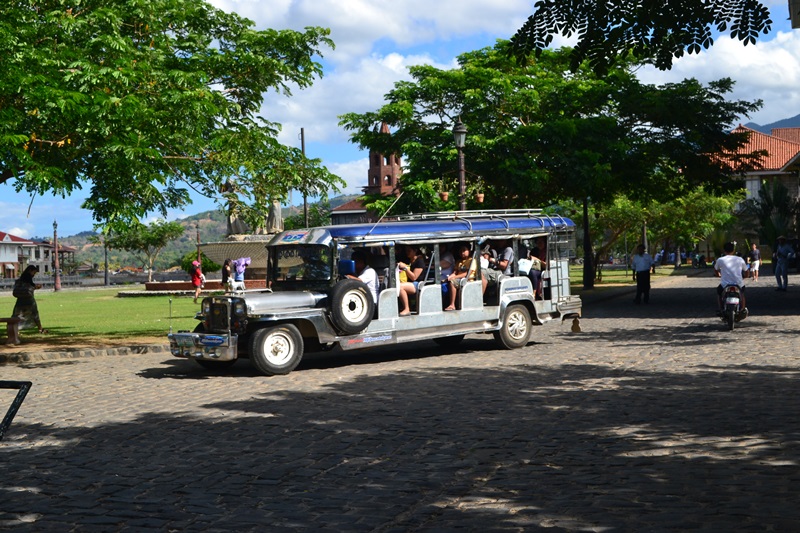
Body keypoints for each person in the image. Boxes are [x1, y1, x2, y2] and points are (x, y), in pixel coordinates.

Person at [12, 265, 48, 334]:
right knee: (35, 313)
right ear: (30, 270)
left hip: (20, 298)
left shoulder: (22, 277)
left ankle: (15, 329)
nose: (33, 275)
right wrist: (37, 286)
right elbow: (31, 286)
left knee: (17, 314)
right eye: (33, 272)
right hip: (28, 299)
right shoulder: (28, 276)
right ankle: (40, 329)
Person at [715, 241, 749, 311]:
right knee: (742, 294)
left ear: (724, 250)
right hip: (738, 283)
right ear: (733, 250)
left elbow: (716, 269)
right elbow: (746, 271)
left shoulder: (720, 260)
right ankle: (742, 309)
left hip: (725, 284)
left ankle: (721, 308)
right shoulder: (740, 259)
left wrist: (718, 274)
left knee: (719, 293)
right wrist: (745, 276)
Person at [397, 246, 426, 316]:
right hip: (409, 282)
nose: (407, 252)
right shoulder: (409, 260)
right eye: (406, 251)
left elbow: (414, 277)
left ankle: (407, 308)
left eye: (409, 250)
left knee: (400, 287)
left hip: (417, 284)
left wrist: (405, 268)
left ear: (415, 251)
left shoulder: (420, 261)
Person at [440, 246, 457, 311]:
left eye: (441, 246)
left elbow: (439, 264)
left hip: (446, 280)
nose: (440, 248)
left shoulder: (448, 255)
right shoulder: (440, 255)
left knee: (443, 288)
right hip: (440, 280)